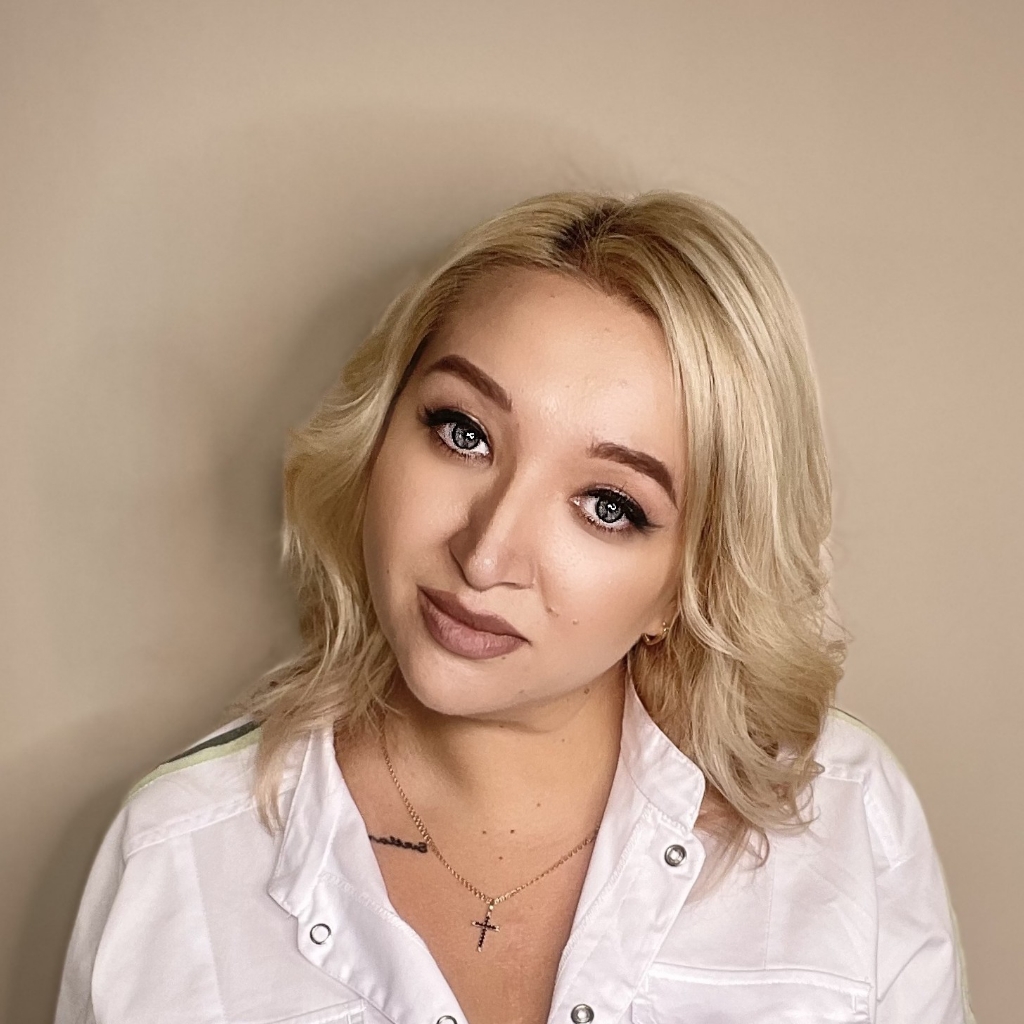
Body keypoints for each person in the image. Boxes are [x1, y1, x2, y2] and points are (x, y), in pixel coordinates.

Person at [55, 191, 974, 1024]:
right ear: (377, 439)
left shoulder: (849, 821)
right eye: (464, 433)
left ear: (686, 584)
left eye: (608, 505)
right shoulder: (176, 860)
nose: (485, 552)